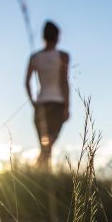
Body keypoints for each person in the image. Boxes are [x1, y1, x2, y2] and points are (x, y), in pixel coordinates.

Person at [25, 21, 70, 168]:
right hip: (57, 105)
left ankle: (39, 174)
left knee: (46, 146)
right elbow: (64, 82)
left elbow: (26, 82)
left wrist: (33, 102)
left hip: (41, 106)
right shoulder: (63, 56)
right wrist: (67, 107)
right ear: (57, 36)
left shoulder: (34, 57)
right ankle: (40, 174)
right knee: (48, 145)